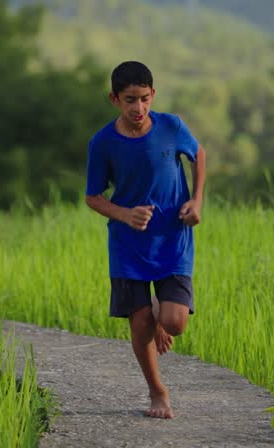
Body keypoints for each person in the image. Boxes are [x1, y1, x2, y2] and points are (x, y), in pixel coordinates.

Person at [85, 60, 206, 420]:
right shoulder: (103, 143)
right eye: (129, 100)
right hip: (128, 246)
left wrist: (196, 200)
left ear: (154, 95)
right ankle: (157, 391)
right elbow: (93, 196)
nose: (138, 108)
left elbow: (198, 154)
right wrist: (125, 214)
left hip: (172, 239)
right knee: (139, 324)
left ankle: (158, 311)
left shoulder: (172, 126)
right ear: (114, 99)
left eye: (143, 99)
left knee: (174, 323)